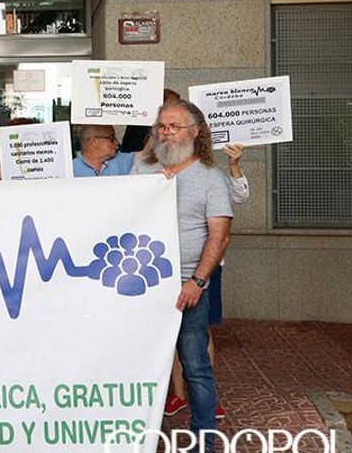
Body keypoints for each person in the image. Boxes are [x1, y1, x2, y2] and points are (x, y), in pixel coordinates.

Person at [133, 99, 233, 447]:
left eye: (174, 126)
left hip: (187, 289)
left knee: (195, 367)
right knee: (139, 365)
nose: (166, 132)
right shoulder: (142, 170)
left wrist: (198, 282)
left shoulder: (210, 178)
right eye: (161, 126)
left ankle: (203, 441)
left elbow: (219, 237)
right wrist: (146, 191)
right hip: (143, 287)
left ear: (195, 132)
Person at [164, 142, 250, 421]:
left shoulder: (211, 175)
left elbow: (240, 195)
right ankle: (179, 393)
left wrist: (234, 164)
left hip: (203, 272)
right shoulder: (156, 169)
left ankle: (206, 400)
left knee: (200, 333)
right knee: (172, 335)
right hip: (164, 271)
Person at [72, 124, 137, 177]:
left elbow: (142, 156)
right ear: (94, 142)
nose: (117, 142)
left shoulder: (121, 161)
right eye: (111, 138)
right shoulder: (71, 170)